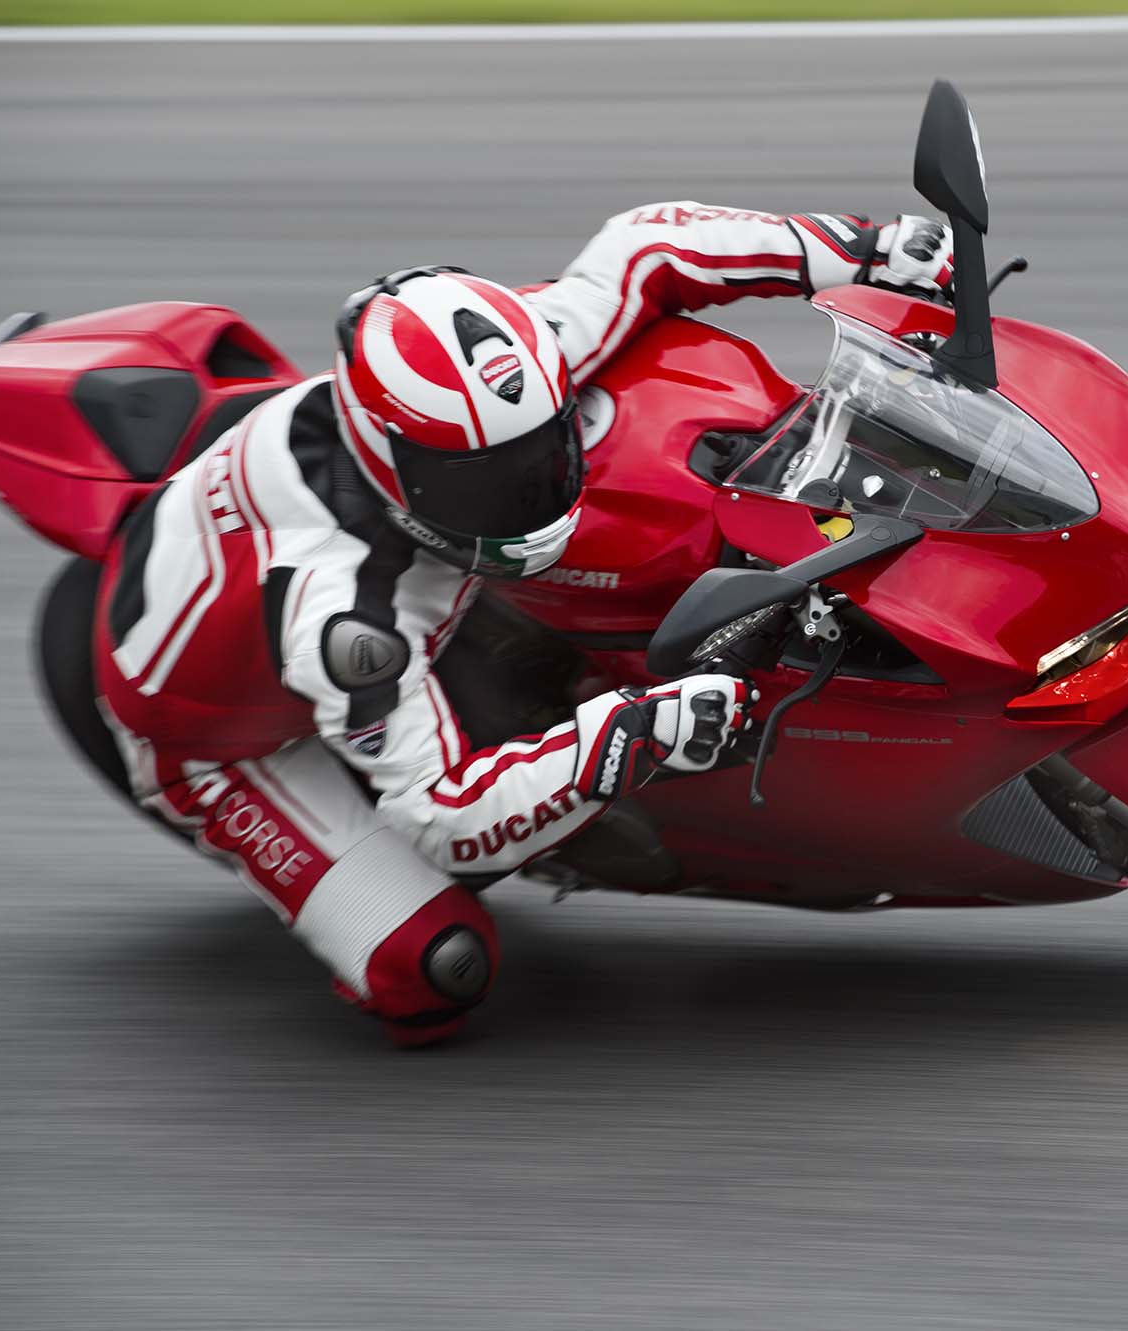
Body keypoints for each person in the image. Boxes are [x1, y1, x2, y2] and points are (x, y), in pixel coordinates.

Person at [90, 204, 955, 1045]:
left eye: (544, 448)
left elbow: (644, 249)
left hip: (372, 576)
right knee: (435, 969)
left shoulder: (513, 366)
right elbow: (442, 819)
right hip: (218, 740)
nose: (527, 491)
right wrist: (626, 738)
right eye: (483, 481)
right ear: (395, 467)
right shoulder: (346, 612)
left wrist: (862, 250)